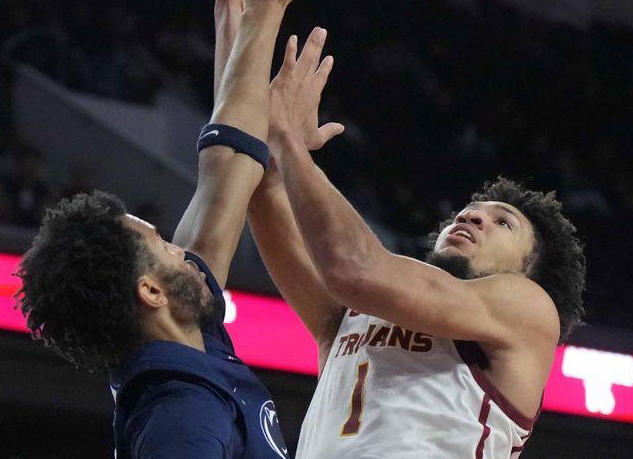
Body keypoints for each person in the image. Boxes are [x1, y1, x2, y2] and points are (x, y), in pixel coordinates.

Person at [15, 0, 331, 459]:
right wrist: (266, 7)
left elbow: (228, 163)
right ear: (150, 291)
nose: (182, 247)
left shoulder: (190, 339)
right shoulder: (180, 418)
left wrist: (237, 3)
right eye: (161, 242)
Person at [247, 41, 587, 455]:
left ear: (529, 269)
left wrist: (290, 143)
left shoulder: (528, 308)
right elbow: (265, 192)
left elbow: (354, 271)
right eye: (468, 211)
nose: (471, 217)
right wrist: (266, 128)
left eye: (503, 222)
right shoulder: (353, 314)